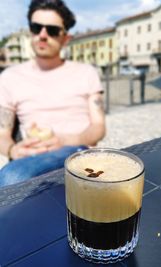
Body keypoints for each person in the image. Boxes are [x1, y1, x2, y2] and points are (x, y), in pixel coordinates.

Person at [0, 0, 105, 187]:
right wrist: (12, 150)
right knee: (11, 179)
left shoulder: (86, 72)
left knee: (12, 178)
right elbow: (2, 132)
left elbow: (98, 127)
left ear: (66, 38)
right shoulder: (9, 77)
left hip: (78, 153)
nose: (42, 35)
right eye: (36, 27)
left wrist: (63, 140)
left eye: (52, 30)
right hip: (33, 157)